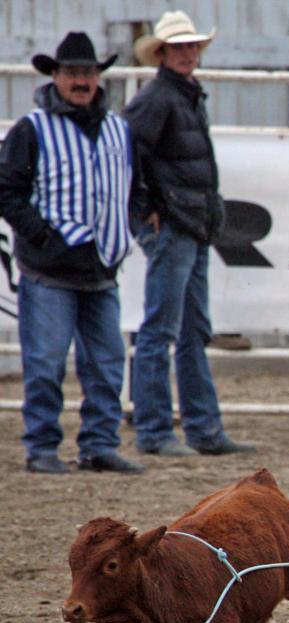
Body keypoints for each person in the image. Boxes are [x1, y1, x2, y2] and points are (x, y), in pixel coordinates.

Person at [0, 32, 148, 474]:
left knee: (107, 365)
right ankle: (42, 447)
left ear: (98, 77)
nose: (81, 81)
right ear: (56, 77)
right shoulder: (32, 129)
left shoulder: (119, 129)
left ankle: (99, 445)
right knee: (46, 364)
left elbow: (137, 188)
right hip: (49, 271)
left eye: (88, 73)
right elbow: (7, 190)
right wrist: (41, 235)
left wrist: (126, 227)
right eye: (72, 73)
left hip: (102, 268)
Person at [124, 11, 254, 457]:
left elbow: (131, 153)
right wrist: (146, 209)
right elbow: (127, 152)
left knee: (189, 329)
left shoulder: (178, 95)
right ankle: (160, 430)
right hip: (177, 223)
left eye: (190, 46)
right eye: (179, 47)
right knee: (165, 329)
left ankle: (197, 429)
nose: (186, 53)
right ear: (163, 53)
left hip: (189, 223)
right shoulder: (162, 98)